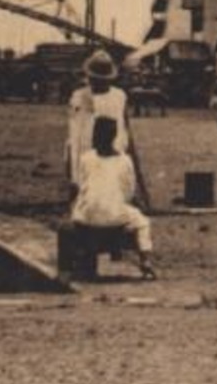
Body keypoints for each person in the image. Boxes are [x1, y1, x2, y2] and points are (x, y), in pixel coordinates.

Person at [71, 116, 155, 279]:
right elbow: (129, 192)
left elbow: (81, 186)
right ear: (114, 136)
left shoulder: (86, 158)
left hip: (87, 217)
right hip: (116, 216)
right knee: (143, 222)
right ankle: (145, 261)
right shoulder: (124, 160)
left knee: (80, 208)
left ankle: (83, 258)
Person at [65, 50, 133, 197]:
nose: (97, 82)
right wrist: (72, 170)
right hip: (85, 146)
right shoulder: (80, 96)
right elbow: (74, 131)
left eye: (102, 79)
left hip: (113, 147)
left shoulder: (119, 96)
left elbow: (124, 125)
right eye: (94, 79)